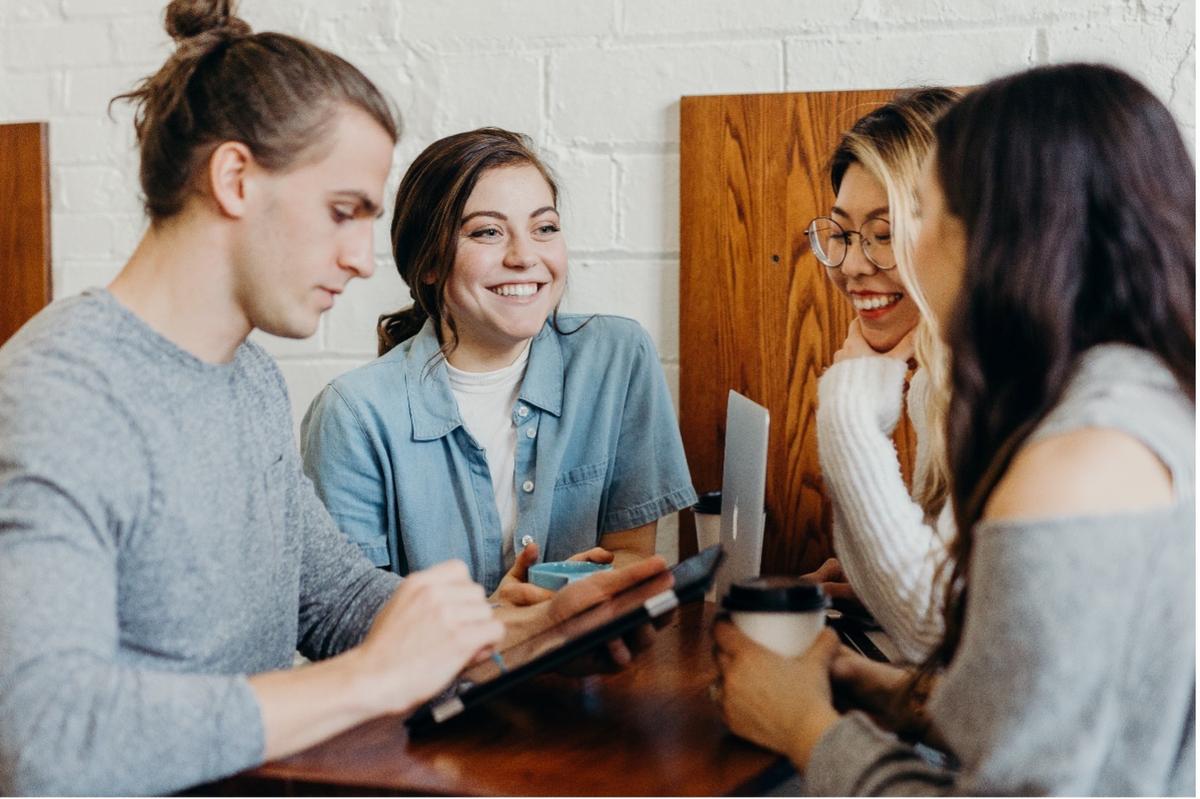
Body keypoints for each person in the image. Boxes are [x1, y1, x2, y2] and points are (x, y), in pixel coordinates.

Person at [0, 2, 667, 794]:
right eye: (343, 211)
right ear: (235, 178)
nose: (360, 259)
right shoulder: (58, 394)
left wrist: (515, 633)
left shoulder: (245, 378)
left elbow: (338, 597)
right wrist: (370, 680)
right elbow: (44, 738)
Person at [714, 62, 1194, 795]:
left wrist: (805, 728)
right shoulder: (1136, 399)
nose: (880, 257)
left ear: (1004, 234)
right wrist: (886, 692)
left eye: (924, 213)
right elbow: (1059, 721)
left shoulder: (1074, 461)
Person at [301, 127, 697, 604]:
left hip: (586, 668)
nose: (525, 256)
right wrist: (501, 621)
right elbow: (353, 620)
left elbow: (632, 555)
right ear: (427, 262)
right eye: (487, 232)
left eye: (544, 228)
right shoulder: (352, 415)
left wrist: (569, 594)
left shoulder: (617, 358)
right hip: (441, 678)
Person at [803, 88, 960, 663]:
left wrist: (848, 407)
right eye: (842, 234)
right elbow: (947, 609)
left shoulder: (1002, 386)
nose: (851, 265)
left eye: (885, 233)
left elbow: (931, 630)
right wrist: (874, 579)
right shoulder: (936, 380)